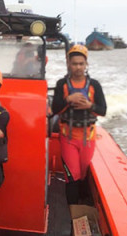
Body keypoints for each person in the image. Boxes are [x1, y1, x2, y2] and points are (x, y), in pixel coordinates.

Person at [50, 45, 107, 208]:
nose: (78, 67)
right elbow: (55, 109)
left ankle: (83, 204)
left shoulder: (94, 85)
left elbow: (103, 110)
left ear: (86, 64)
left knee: (83, 174)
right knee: (72, 175)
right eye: (75, 63)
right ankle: (72, 210)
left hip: (88, 138)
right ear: (68, 63)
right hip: (68, 137)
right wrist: (68, 99)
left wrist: (89, 105)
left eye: (81, 63)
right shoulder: (62, 84)